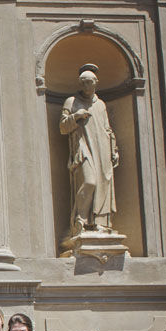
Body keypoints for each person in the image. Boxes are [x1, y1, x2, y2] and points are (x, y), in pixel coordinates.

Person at [60, 64, 119, 235]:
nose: (86, 86)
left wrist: (113, 150)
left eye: (89, 82)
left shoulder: (100, 105)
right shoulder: (72, 102)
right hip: (83, 147)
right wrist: (75, 116)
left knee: (103, 184)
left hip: (102, 149)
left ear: (96, 82)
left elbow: (107, 129)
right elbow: (63, 127)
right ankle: (80, 221)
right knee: (89, 181)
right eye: (83, 82)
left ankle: (100, 223)